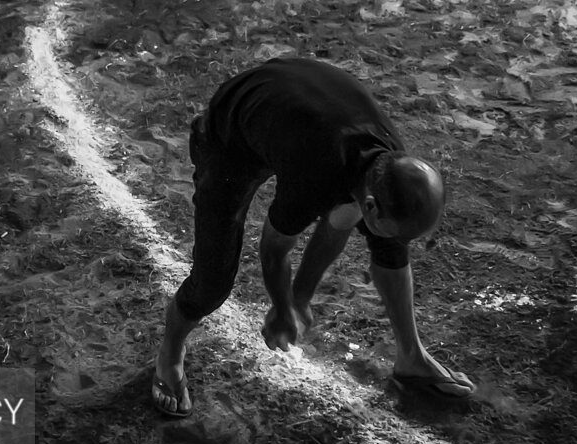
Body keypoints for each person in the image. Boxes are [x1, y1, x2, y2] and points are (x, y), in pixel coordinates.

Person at [151, 58, 476, 417]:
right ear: (368, 204)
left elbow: (338, 223)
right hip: (233, 130)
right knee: (213, 279)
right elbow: (275, 248)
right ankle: (170, 351)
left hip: (299, 108)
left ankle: (411, 358)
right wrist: (281, 306)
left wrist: (301, 296)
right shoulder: (317, 174)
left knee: (389, 242)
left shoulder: (390, 162)